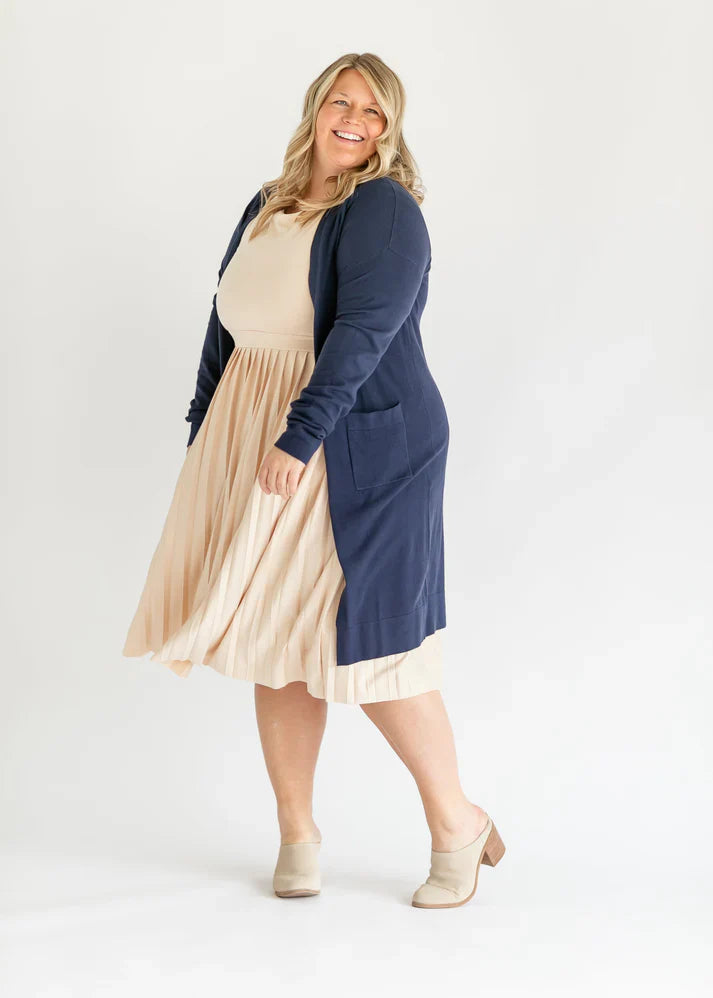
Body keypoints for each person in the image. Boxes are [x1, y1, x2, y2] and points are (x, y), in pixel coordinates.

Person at [122, 52, 505, 908]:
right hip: (255, 432)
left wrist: (298, 438)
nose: (354, 120)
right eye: (341, 101)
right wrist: (204, 427)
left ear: (389, 129)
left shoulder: (383, 209)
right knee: (274, 635)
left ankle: (457, 824)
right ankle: (296, 834)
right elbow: (225, 322)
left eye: (374, 111)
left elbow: (363, 332)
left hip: (354, 441)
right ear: (315, 108)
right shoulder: (269, 202)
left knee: (371, 645)